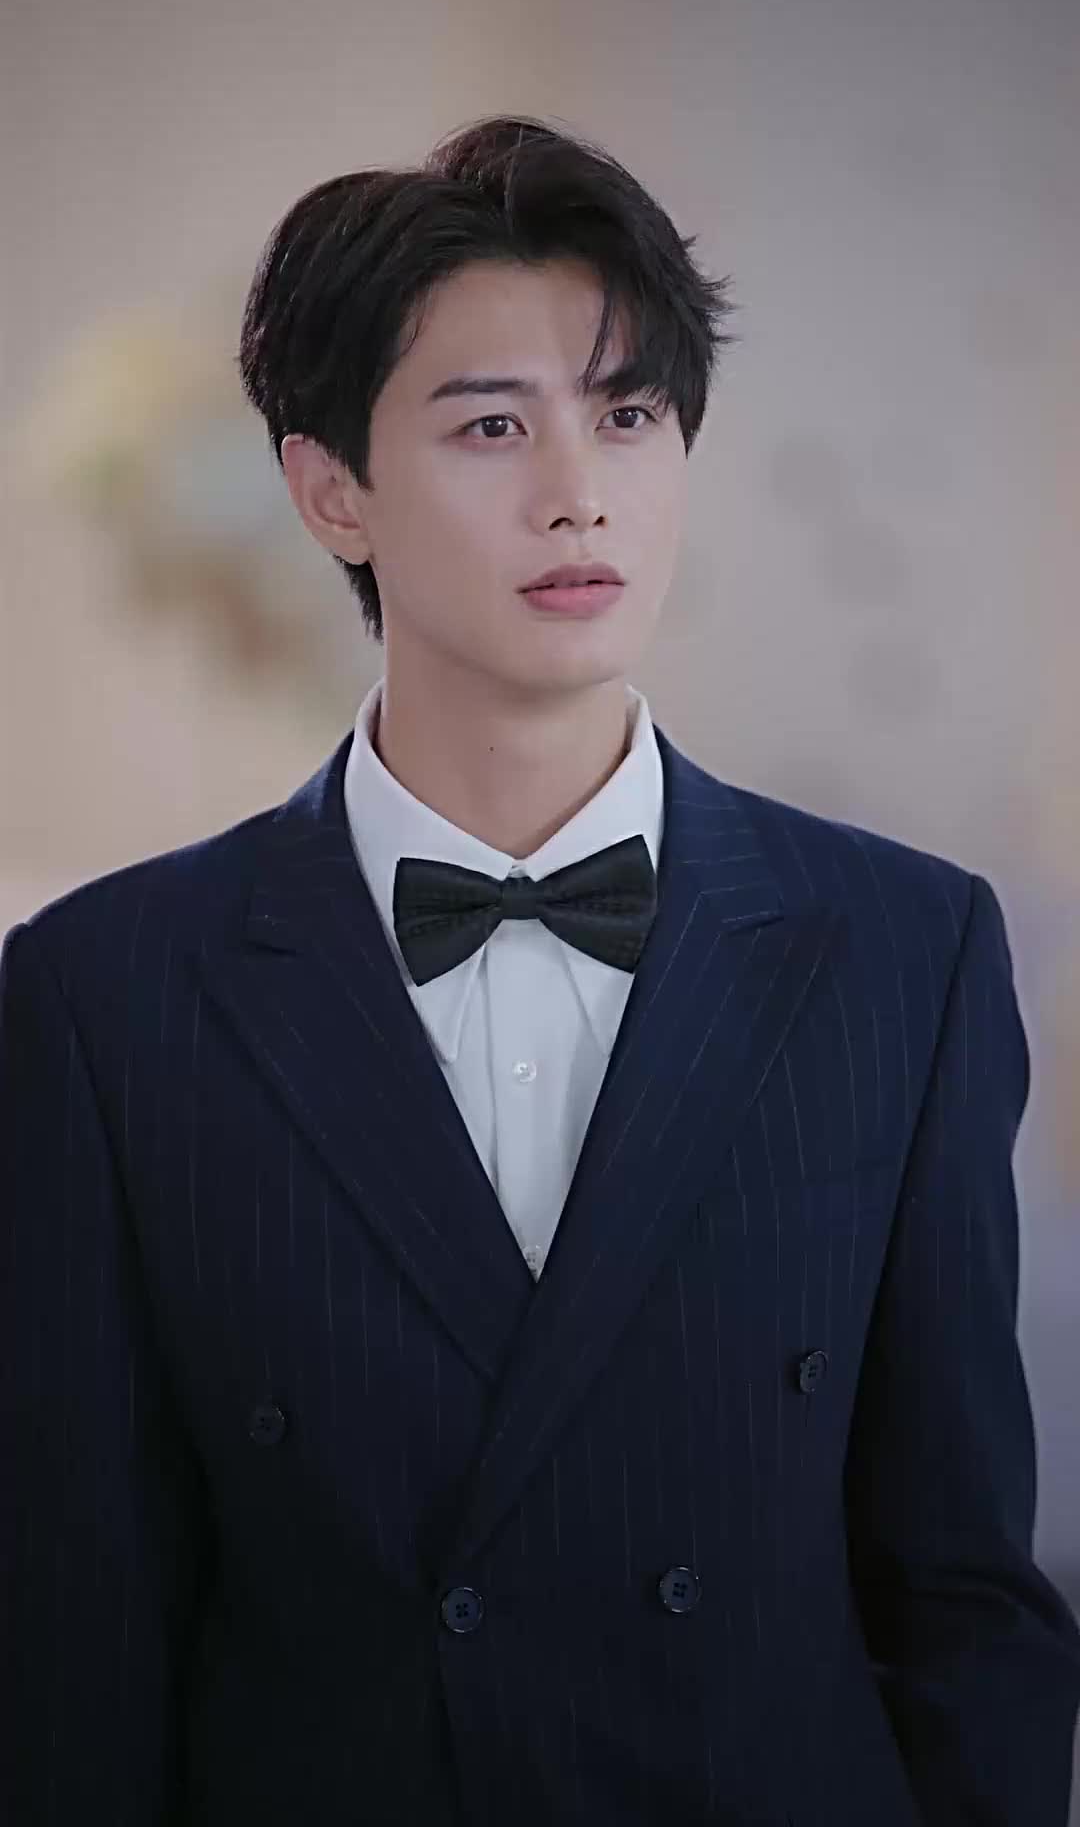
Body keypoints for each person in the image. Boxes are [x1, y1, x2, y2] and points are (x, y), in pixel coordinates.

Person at [2, 112, 1078, 1827]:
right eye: (492, 424)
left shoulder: (904, 950)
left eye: (628, 413)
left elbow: (963, 1600)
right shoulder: (107, 994)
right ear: (330, 489)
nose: (580, 490)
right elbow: (76, 1641)